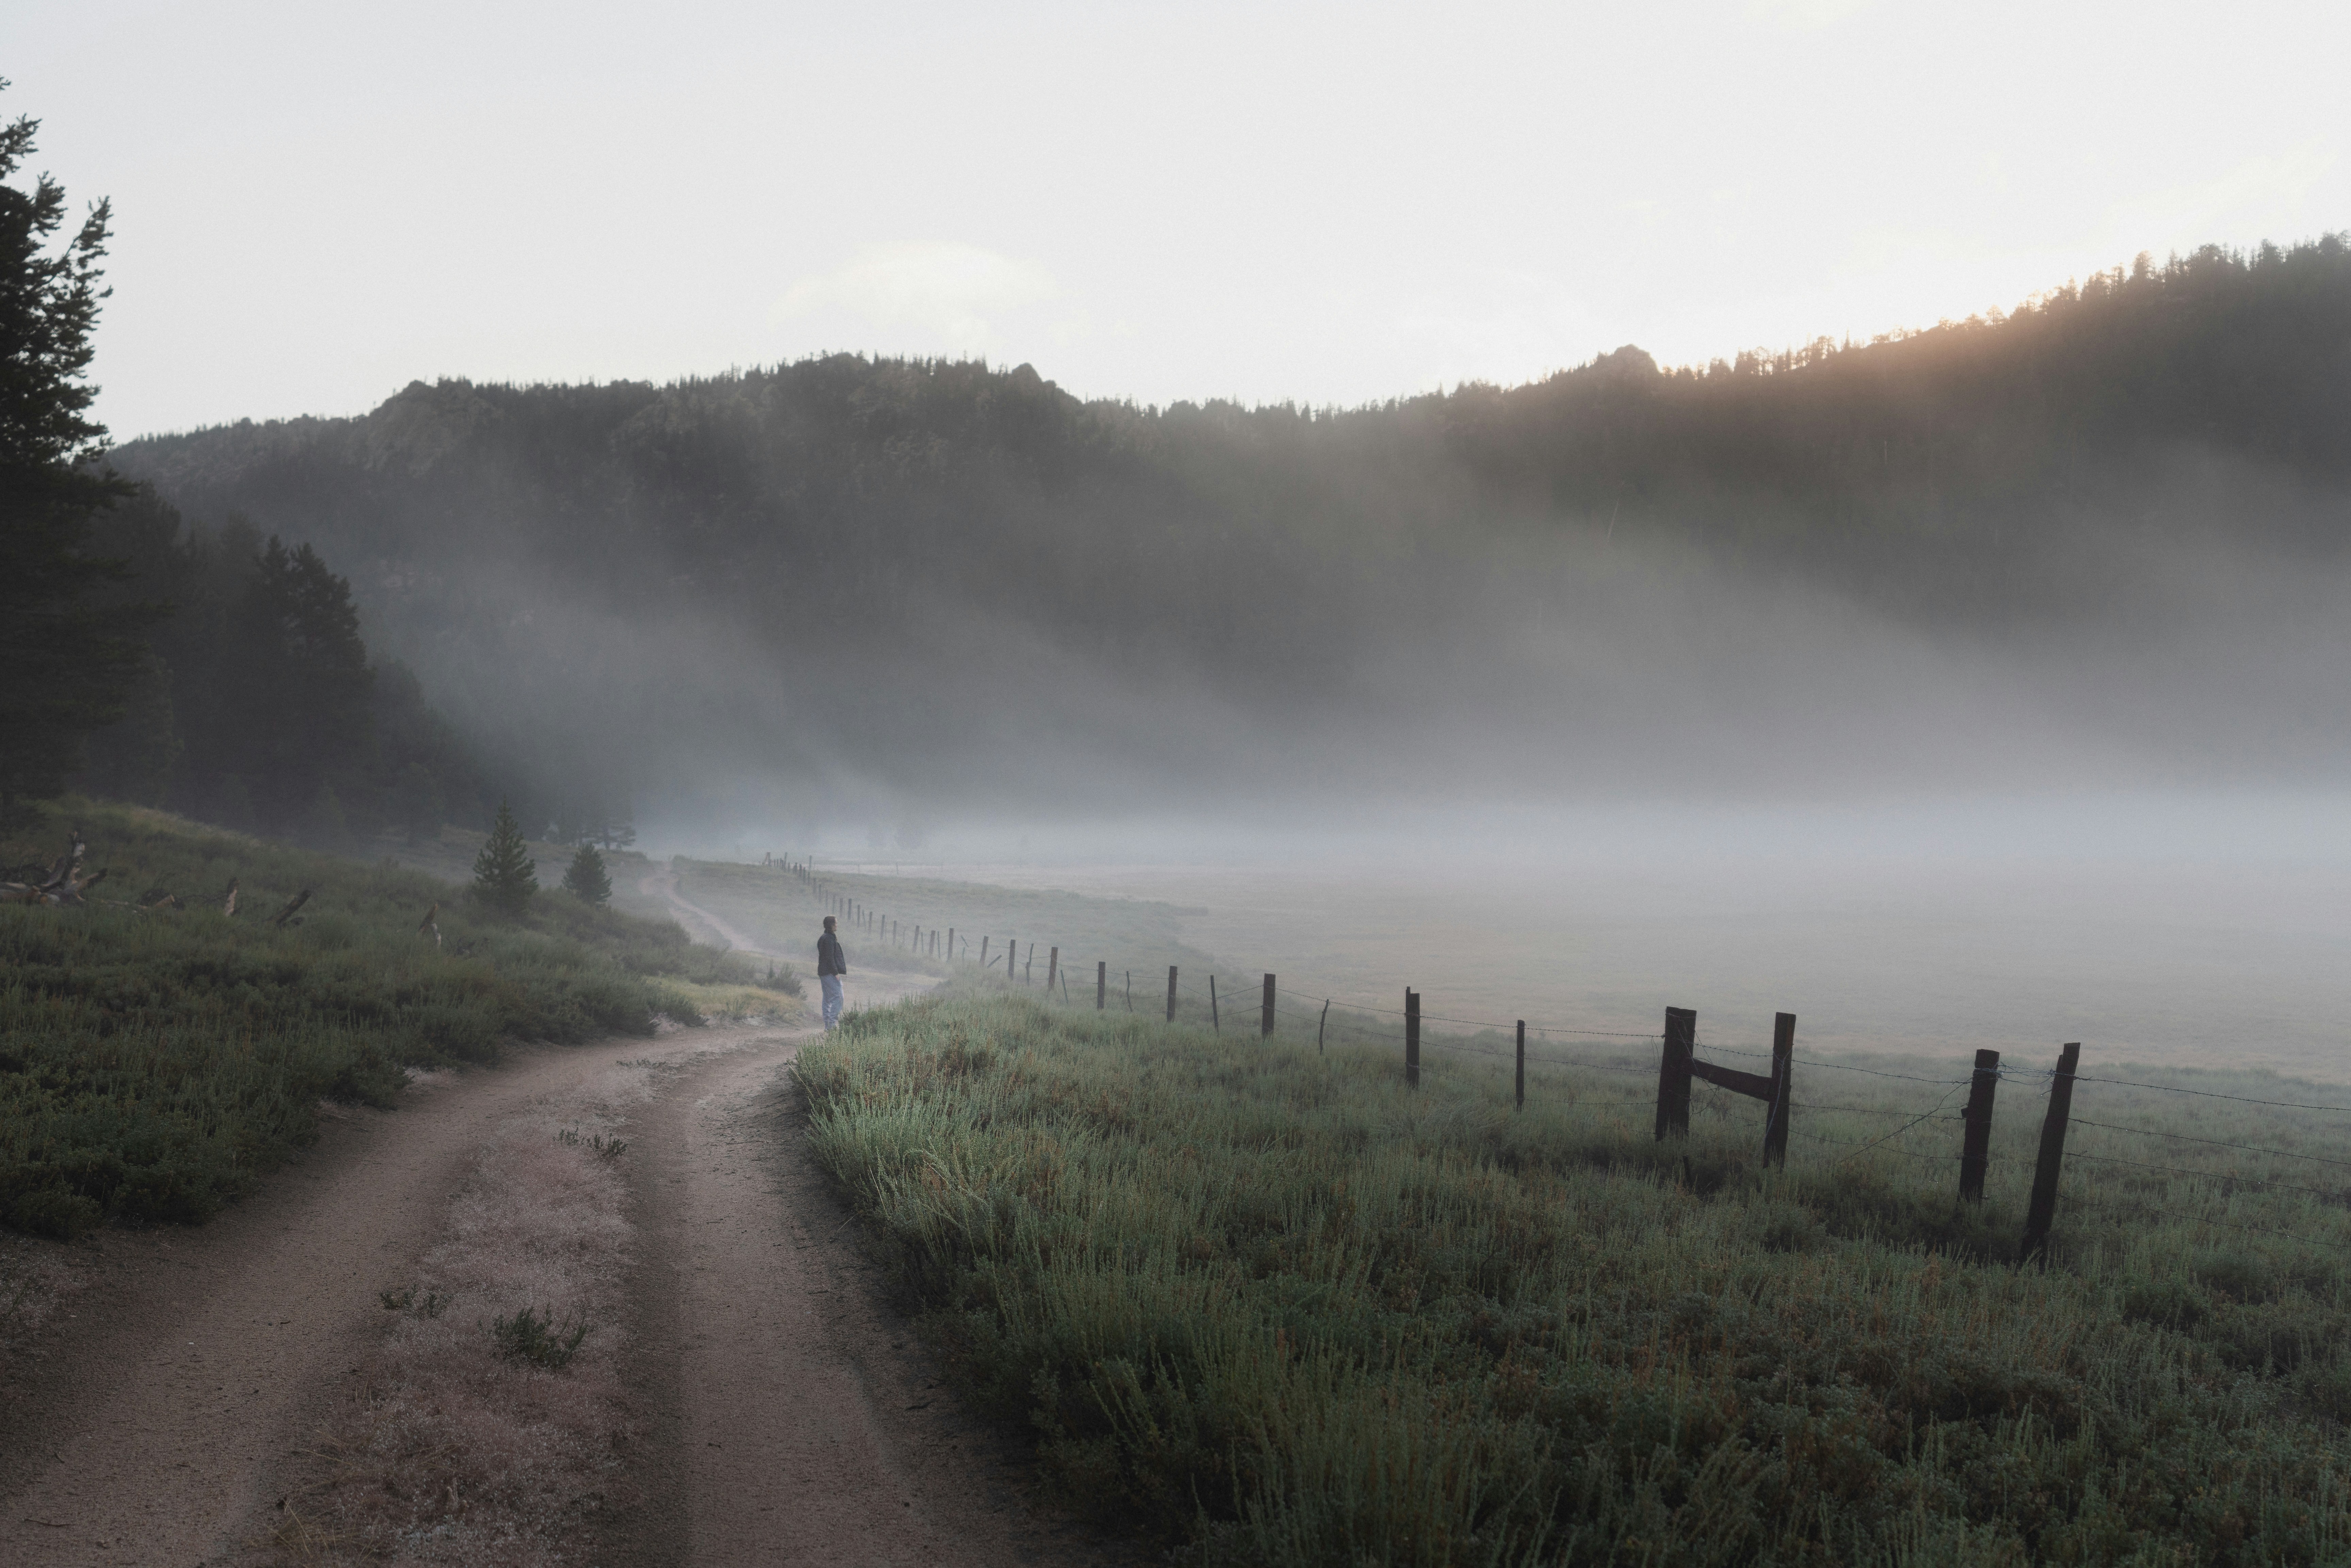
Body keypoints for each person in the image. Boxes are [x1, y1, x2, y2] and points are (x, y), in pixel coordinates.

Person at [816, 914, 847, 1030]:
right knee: (839, 997)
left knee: (828, 998)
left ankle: (828, 1026)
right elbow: (830, 958)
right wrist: (836, 973)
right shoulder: (829, 939)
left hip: (824, 973)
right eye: (836, 923)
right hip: (829, 973)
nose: (837, 925)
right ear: (832, 925)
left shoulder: (823, 938)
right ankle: (832, 1025)